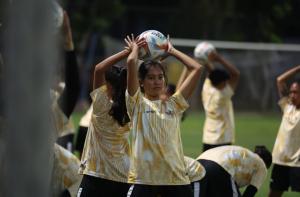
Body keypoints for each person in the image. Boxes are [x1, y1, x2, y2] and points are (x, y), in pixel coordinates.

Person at [125, 34, 203, 197]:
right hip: (144, 179)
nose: (157, 82)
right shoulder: (137, 103)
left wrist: (172, 51)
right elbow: (132, 62)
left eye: (160, 77)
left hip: (174, 178)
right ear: (141, 81)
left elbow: (197, 68)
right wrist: (135, 49)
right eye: (151, 78)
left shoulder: (174, 104)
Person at [77, 46, 132, 196]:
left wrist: (126, 52)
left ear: (107, 85)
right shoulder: (131, 107)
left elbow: (99, 69)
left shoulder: (101, 105)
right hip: (123, 175)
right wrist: (133, 57)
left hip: (97, 174)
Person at [268, 65, 300, 197]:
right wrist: (299, 68)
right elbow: (280, 80)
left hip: (297, 163)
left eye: (296, 92)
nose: (292, 95)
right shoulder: (287, 106)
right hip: (280, 160)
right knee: (274, 193)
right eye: (291, 91)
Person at [200, 50, 240, 151]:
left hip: (207, 138)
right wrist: (218, 58)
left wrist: (205, 60)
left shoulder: (207, 88)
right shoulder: (223, 95)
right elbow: (236, 74)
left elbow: (212, 73)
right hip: (223, 139)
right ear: (221, 83)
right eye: (225, 81)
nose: (227, 82)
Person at [196, 145, 272, 197]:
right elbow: (250, 192)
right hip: (220, 167)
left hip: (198, 164)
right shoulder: (262, 165)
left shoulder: (246, 155)